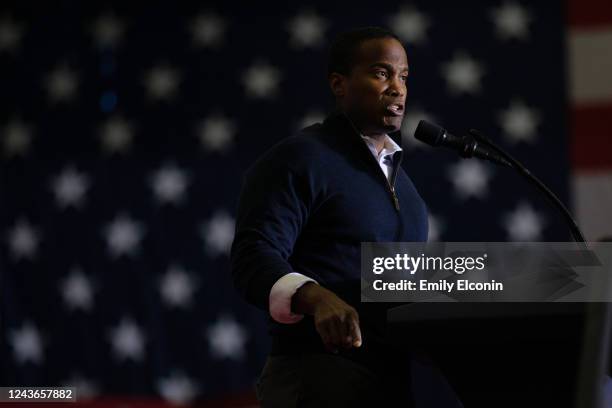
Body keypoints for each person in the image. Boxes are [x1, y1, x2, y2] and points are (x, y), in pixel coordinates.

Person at [230, 26, 462, 407]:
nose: (398, 89)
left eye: (403, 77)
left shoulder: (406, 189)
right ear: (339, 84)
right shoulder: (302, 158)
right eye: (381, 73)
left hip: (392, 382)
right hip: (316, 375)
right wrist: (316, 297)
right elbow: (253, 255)